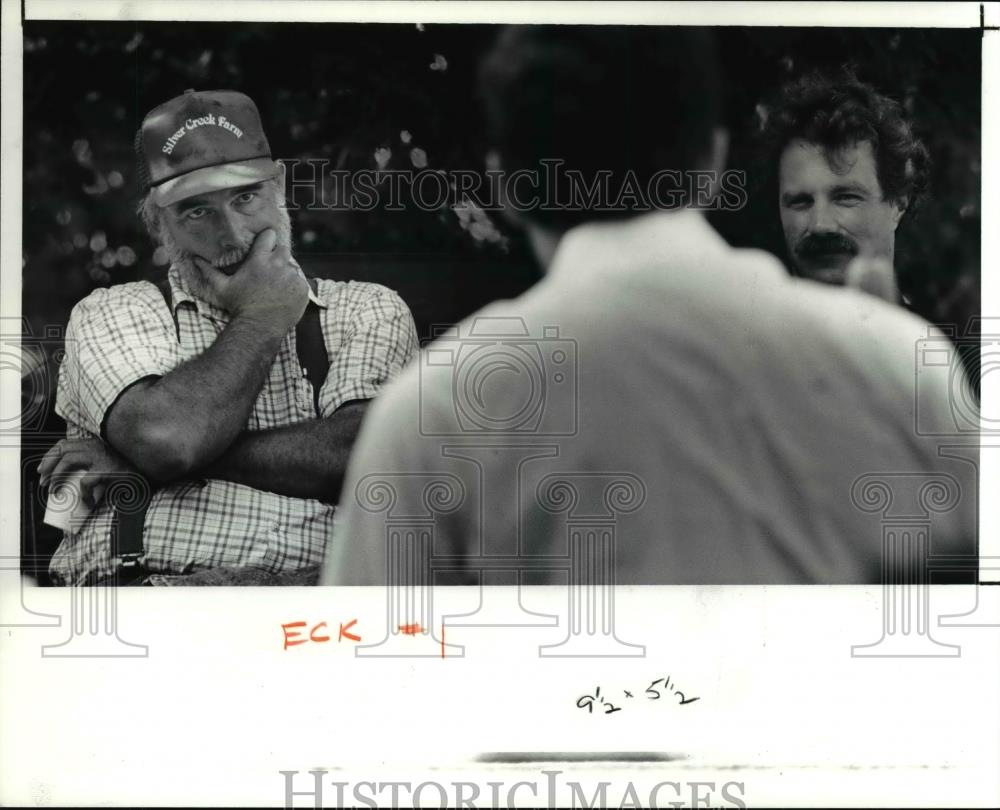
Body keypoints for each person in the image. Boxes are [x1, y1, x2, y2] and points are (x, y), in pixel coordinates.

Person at [321, 26, 974, 587]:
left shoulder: (434, 409)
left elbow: (372, 690)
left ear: (505, 186)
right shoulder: (900, 365)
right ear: (714, 162)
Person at [41, 89, 419, 585]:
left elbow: (362, 457)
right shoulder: (114, 310)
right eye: (197, 211)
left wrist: (137, 464)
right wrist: (262, 315)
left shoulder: (366, 307)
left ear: (278, 184)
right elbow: (169, 441)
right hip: (152, 597)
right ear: (158, 219)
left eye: (246, 196)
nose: (234, 235)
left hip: (320, 603)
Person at [758, 70, 930, 298]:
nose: (820, 225)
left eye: (845, 197)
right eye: (800, 202)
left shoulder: (933, 334)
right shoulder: (747, 333)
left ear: (898, 203)